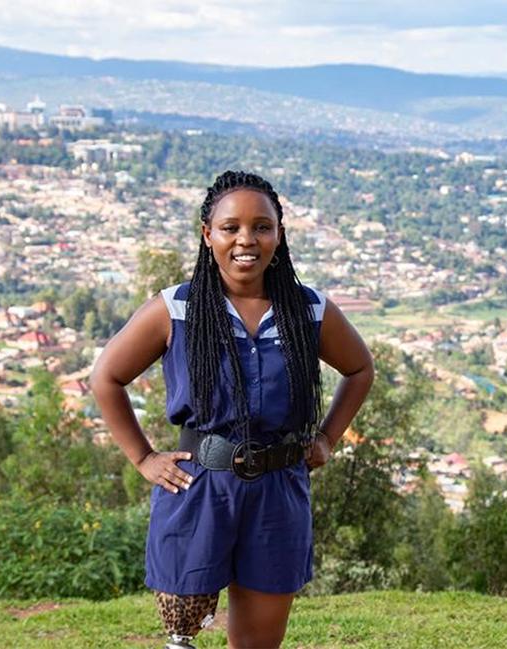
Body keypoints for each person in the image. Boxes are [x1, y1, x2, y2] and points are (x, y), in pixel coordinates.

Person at [90, 170, 374, 649]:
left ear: (279, 236)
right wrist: (142, 457)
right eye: (231, 227)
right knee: (182, 637)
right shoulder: (175, 308)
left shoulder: (309, 310)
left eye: (262, 227)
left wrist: (327, 437)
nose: (247, 239)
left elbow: (360, 369)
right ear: (208, 235)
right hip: (199, 485)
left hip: (279, 488)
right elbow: (106, 378)